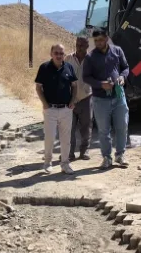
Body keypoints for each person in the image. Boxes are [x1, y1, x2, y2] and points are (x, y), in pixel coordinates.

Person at [82, 27, 130, 169]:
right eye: (96, 40)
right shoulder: (90, 57)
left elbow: (126, 67)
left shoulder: (117, 51)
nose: (98, 43)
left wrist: (122, 77)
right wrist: (100, 84)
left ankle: (120, 155)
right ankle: (106, 157)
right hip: (100, 100)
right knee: (104, 130)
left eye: (101, 40)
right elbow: (86, 77)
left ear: (107, 38)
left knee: (122, 127)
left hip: (119, 97)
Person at [34, 43, 77, 175]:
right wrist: (44, 104)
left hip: (66, 110)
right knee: (50, 138)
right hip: (50, 109)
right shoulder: (44, 67)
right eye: (56, 53)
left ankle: (65, 164)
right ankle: (47, 162)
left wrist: (72, 101)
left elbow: (74, 86)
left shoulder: (69, 67)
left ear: (64, 55)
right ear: (51, 54)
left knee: (66, 139)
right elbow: (38, 87)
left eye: (61, 53)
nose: (59, 56)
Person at [65, 35, 93, 161]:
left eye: (82, 45)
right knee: (69, 128)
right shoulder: (68, 59)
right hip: (70, 99)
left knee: (86, 127)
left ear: (87, 46)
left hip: (86, 98)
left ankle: (84, 151)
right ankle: (69, 153)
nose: (79, 47)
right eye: (77, 44)